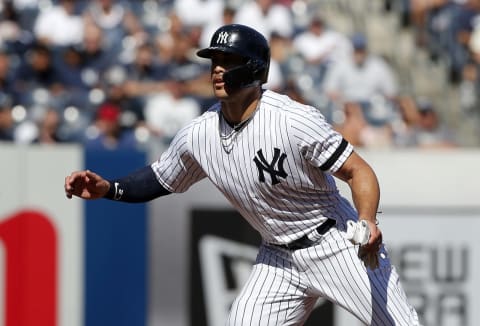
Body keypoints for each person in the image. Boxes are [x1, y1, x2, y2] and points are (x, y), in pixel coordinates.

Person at [64, 24, 420, 325]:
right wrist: (109, 187)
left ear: (255, 71)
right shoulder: (198, 135)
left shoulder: (293, 120)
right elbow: (160, 178)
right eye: (214, 62)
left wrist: (368, 221)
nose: (217, 69)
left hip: (336, 243)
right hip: (277, 258)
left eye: (228, 61)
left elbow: (359, 171)